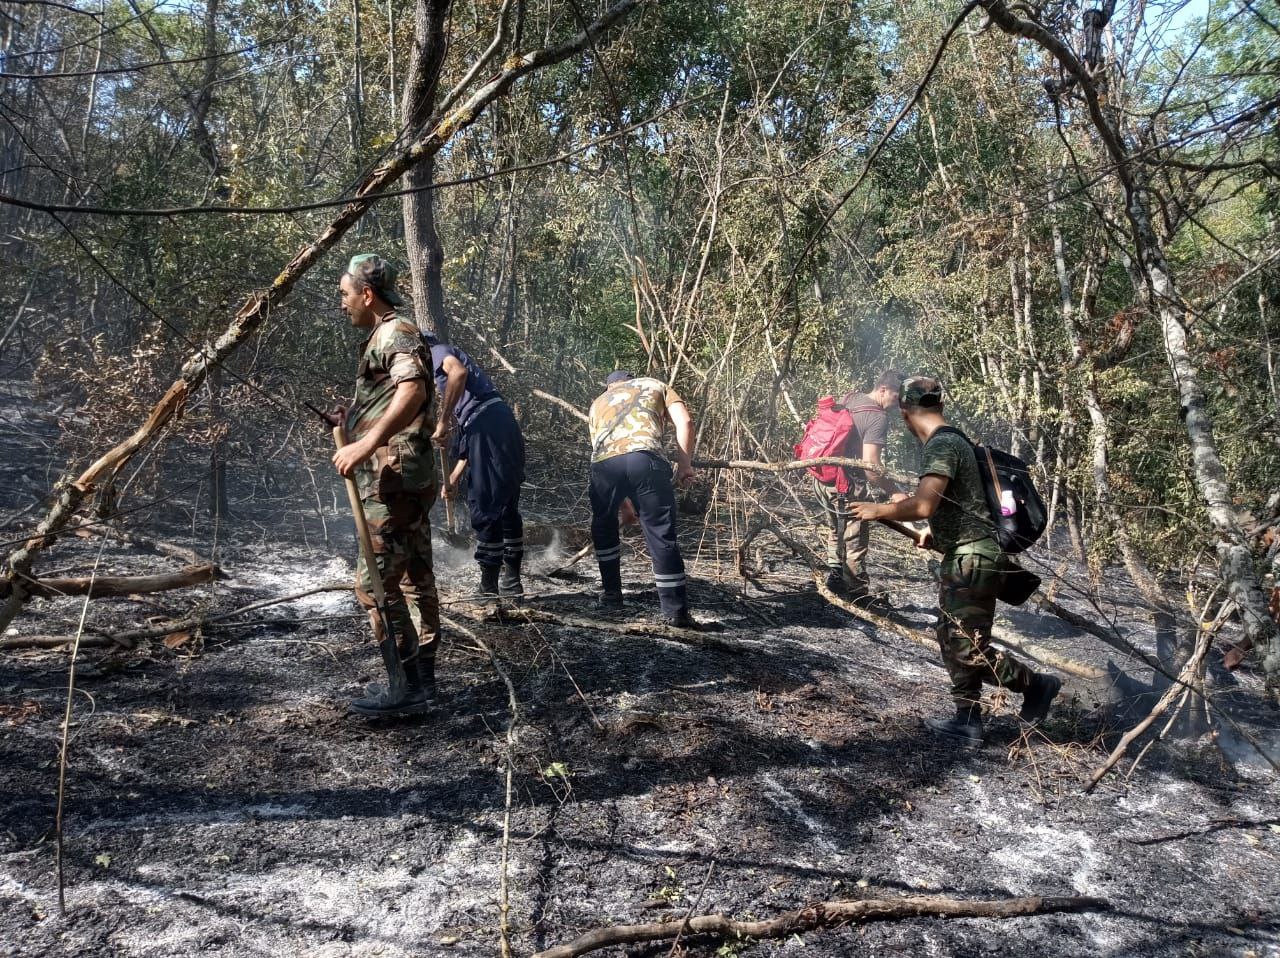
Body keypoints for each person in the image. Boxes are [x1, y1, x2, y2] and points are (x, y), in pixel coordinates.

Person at [850, 376, 1061, 747]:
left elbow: (923, 504)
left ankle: (1037, 685)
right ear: (940, 405)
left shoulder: (943, 444)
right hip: (966, 553)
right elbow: (959, 503)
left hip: (973, 558)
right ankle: (967, 720)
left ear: (905, 412)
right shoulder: (955, 439)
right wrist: (937, 531)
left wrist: (878, 509)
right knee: (952, 639)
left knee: (966, 645)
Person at [332, 253, 440, 717]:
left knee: (373, 584)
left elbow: (412, 389)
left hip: (392, 474)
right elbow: (393, 395)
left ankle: (406, 688)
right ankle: (424, 682)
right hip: (404, 471)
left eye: (344, 293)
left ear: (367, 294)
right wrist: (352, 421)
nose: (342, 303)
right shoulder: (388, 335)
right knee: (416, 575)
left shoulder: (395, 332)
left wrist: (366, 443)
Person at [587, 370, 696, 626]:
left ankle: (612, 596)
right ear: (631, 379)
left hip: (604, 467)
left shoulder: (598, 403)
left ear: (610, 385)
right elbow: (686, 422)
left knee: (604, 527)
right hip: (645, 459)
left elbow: (609, 453)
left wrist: (623, 507)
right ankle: (675, 612)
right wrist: (685, 465)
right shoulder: (654, 385)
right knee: (660, 533)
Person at [428, 336, 526, 597]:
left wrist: (443, 421)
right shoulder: (481, 406)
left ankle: (489, 586)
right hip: (496, 426)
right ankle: (511, 582)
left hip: (487, 427)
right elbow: (472, 442)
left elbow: (457, 373)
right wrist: (455, 477)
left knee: (485, 505)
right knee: (505, 505)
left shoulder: (437, 351)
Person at [816, 370, 907, 605]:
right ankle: (857, 595)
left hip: (823, 477)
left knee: (835, 528)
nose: (898, 405)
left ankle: (835, 577)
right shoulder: (878, 417)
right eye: (897, 397)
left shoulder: (850, 398)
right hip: (847, 485)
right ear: (883, 390)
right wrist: (895, 492)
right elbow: (870, 468)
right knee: (855, 539)